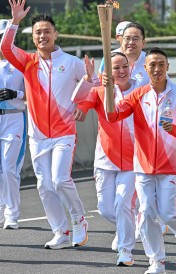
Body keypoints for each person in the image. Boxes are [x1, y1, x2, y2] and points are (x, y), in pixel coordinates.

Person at [1, 0, 98, 249]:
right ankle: (60, 232)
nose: (43, 35)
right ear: (33, 38)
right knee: (44, 185)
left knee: (59, 180)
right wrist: (14, 22)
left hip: (65, 131)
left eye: (47, 31)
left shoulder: (72, 62)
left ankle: (78, 220)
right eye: (38, 33)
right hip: (38, 135)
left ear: (55, 34)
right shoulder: (28, 62)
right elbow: (6, 47)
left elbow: (95, 86)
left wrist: (85, 104)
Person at [104, 47, 176, 274]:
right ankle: (156, 261)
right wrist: (109, 89)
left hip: (170, 166)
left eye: (161, 64)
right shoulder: (138, 95)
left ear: (167, 67)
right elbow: (113, 115)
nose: (156, 69)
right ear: (145, 68)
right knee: (146, 212)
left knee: (168, 214)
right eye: (152, 65)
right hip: (143, 166)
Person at [73, 52, 136, 266]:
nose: (121, 71)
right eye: (116, 68)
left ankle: (126, 250)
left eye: (124, 66)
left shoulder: (140, 91)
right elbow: (78, 99)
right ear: (107, 73)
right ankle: (126, 227)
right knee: (105, 209)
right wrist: (89, 79)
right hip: (105, 160)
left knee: (123, 205)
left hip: (133, 160)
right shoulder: (99, 91)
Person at [0, 18, 26, 230]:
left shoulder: (20, 62)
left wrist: (14, 93)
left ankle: (12, 214)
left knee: (9, 168)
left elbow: (34, 92)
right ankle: (2, 208)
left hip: (15, 117)